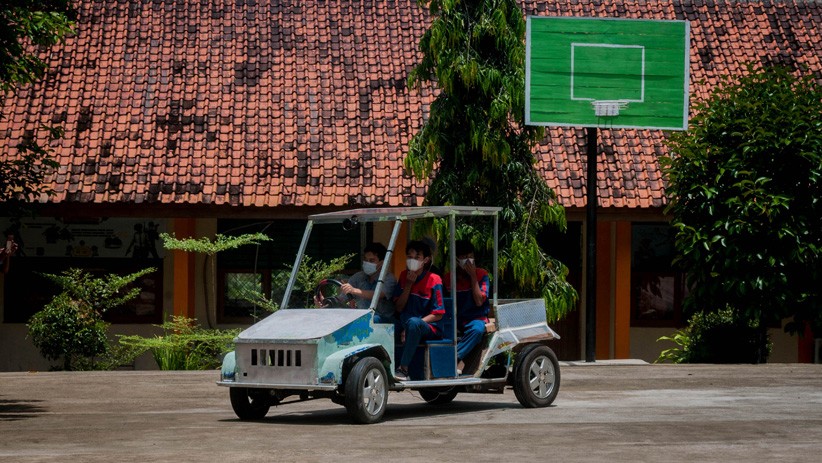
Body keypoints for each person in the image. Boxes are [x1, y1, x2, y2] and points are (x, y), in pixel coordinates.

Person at [392, 240, 445, 380]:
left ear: (425, 260)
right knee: (379, 321)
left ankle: (403, 368)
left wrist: (410, 327)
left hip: (428, 326)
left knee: (414, 323)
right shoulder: (404, 276)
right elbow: (399, 307)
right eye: (409, 257)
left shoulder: (434, 279)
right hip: (405, 322)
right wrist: (408, 285)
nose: (412, 260)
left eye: (417, 258)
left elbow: (438, 314)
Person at [443, 239, 490, 374]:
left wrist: (473, 277)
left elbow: (479, 301)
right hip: (456, 319)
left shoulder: (482, 275)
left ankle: (454, 358)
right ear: (457, 259)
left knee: (477, 330)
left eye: (470, 256)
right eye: (464, 257)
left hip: (476, 318)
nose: (468, 261)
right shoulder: (448, 278)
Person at [340, 242, 397, 323]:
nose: (367, 263)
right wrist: (325, 302)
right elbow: (341, 299)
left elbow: (378, 295)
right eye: (365, 260)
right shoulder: (358, 277)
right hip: (361, 320)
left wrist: (354, 290)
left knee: (373, 319)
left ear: (382, 263)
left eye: (372, 260)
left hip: (383, 322)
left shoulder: (389, 279)